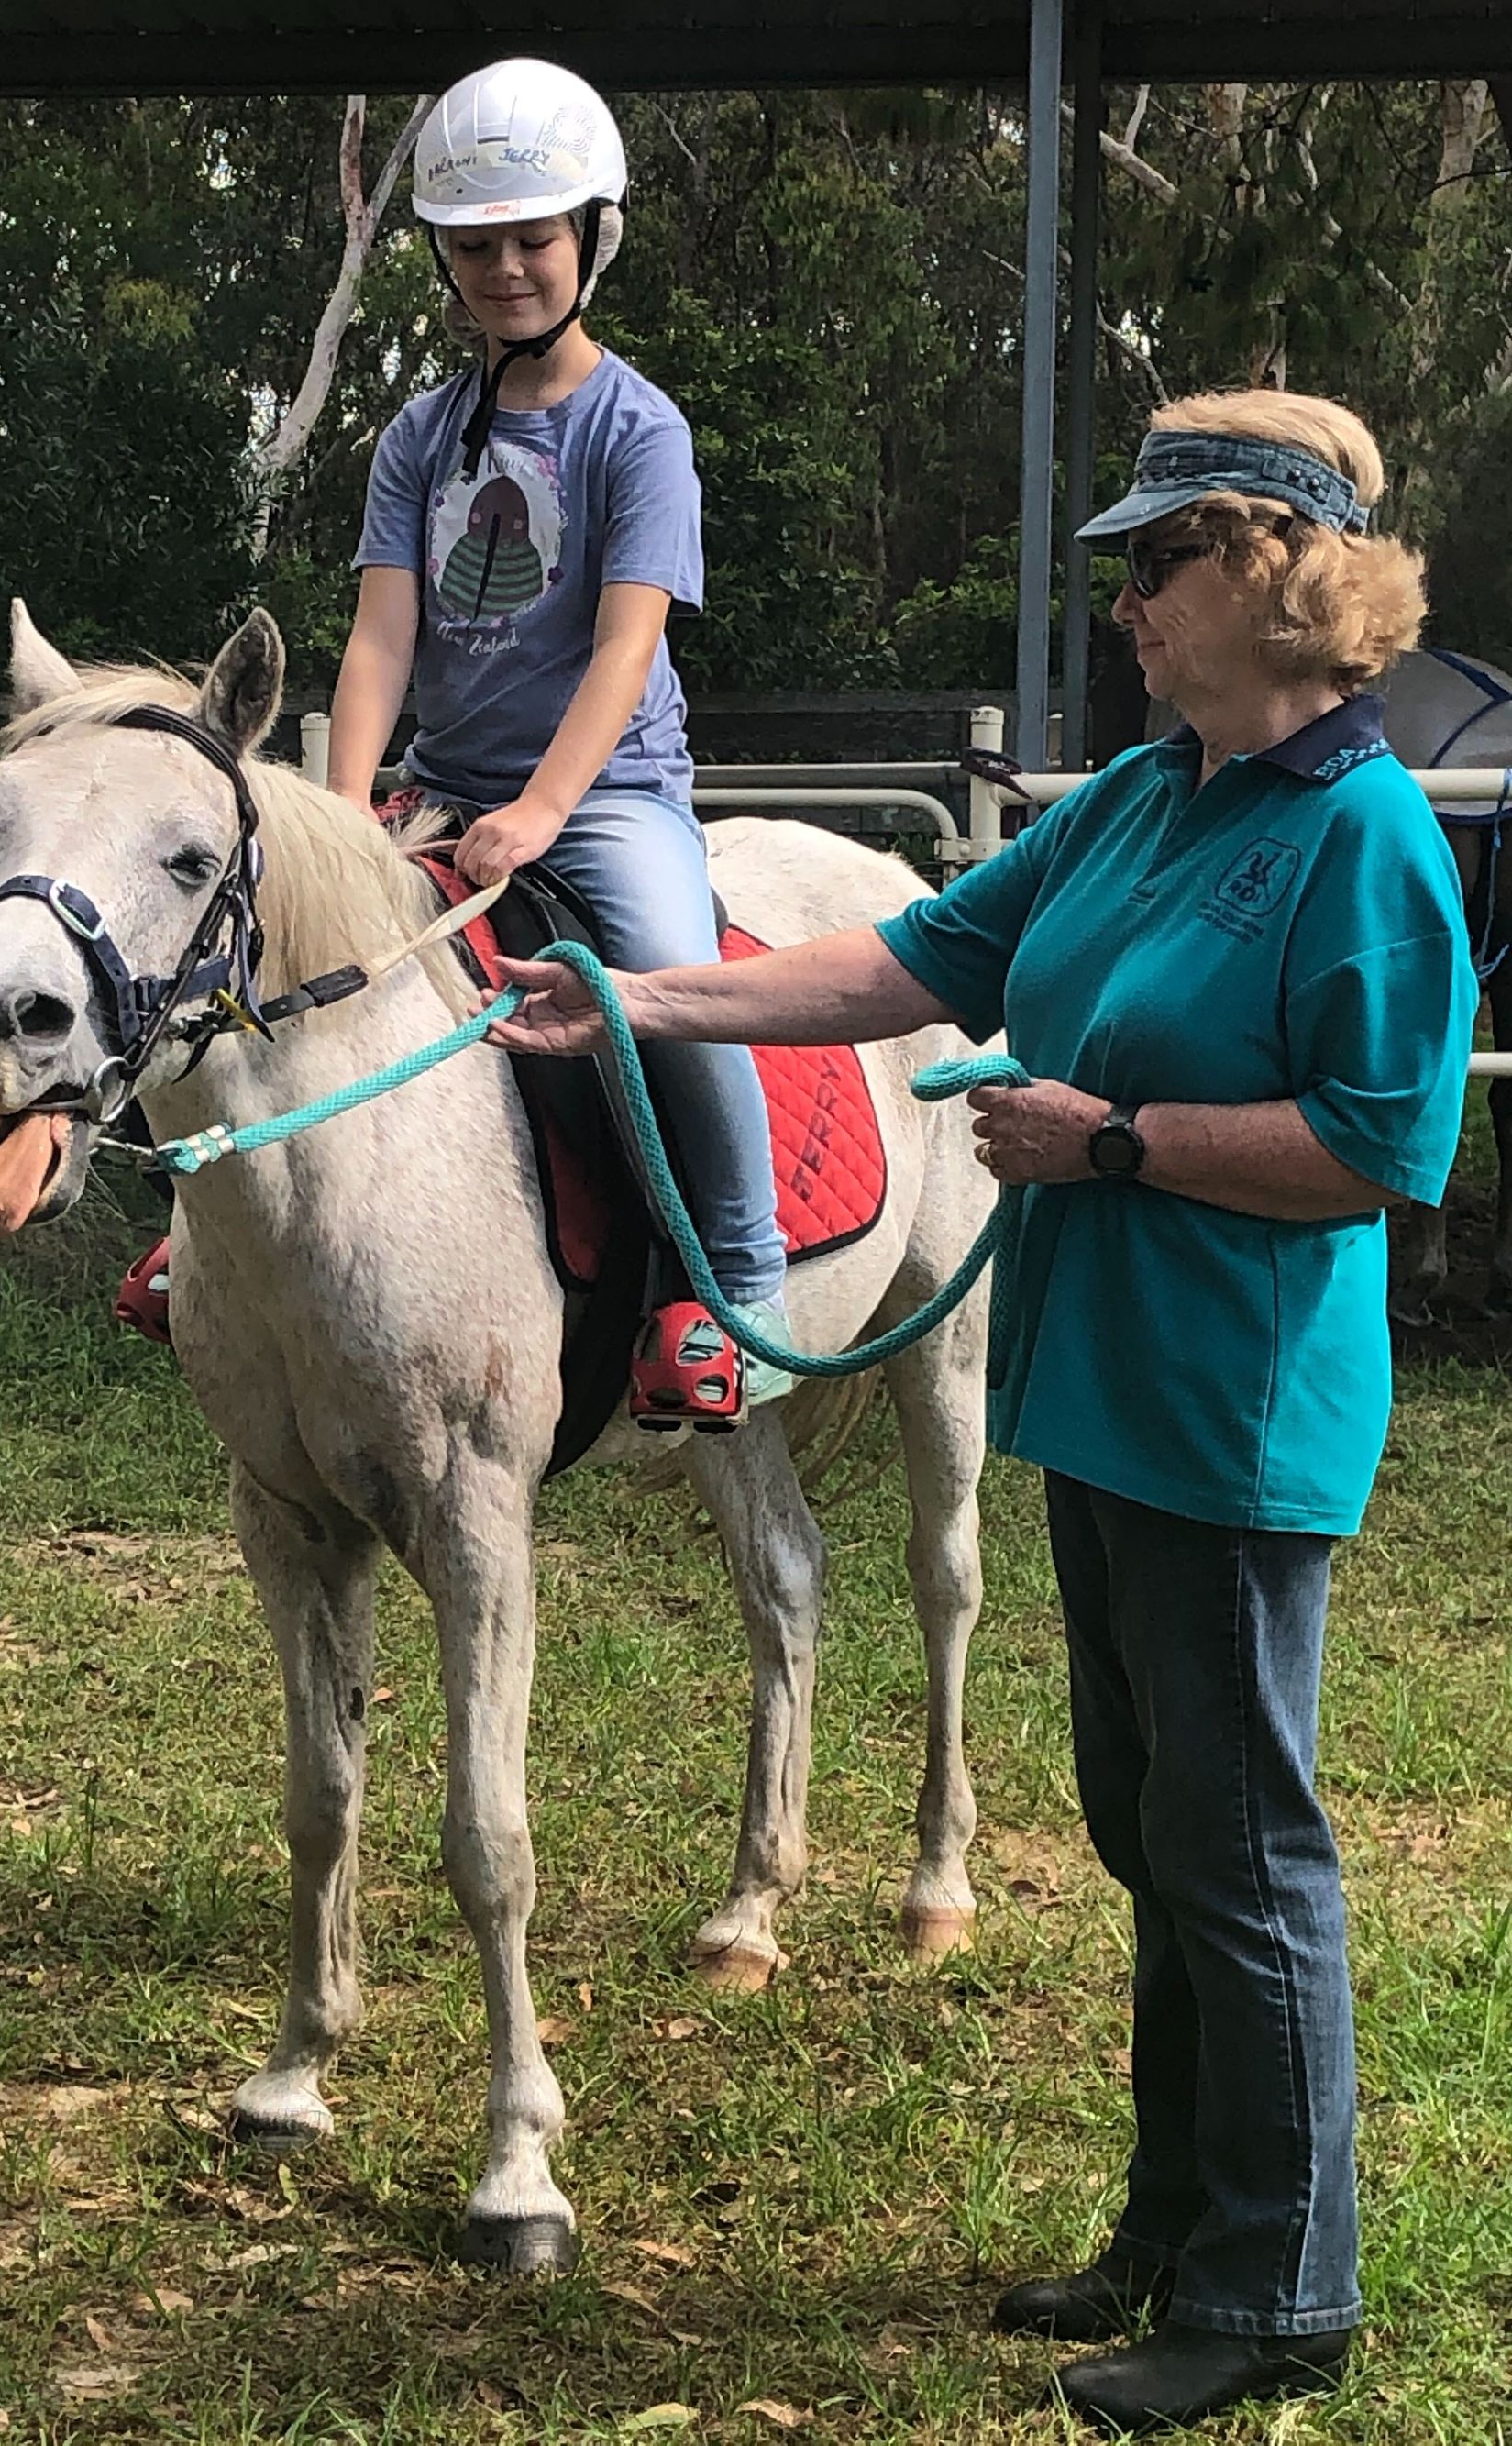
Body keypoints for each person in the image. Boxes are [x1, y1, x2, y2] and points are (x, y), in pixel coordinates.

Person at [490, 389, 1475, 2434]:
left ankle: (1279, 2289)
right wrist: (647, 994)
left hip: (1229, 1409)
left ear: (1278, 576)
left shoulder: (1362, 836)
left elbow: (1381, 1149)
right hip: (1107, 1399)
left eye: (1157, 565)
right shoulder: (1147, 797)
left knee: (1238, 1842)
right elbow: (917, 956)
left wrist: (1107, 1141)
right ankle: (1171, 2228)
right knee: (1149, 1827)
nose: (1125, 604)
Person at [324, 57, 790, 1418]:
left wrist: (538, 810)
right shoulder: (418, 438)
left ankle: (739, 1290)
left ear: (593, 238)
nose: (506, 268)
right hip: (440, 785)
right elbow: (379, 642)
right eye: (476, 245)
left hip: (606, 792)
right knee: (281, 934)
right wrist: (346, 805)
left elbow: (625, 645)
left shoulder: (639, 432)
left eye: (534, 238)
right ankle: (215, 1241)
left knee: (671, 980)